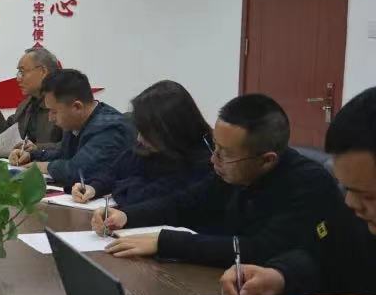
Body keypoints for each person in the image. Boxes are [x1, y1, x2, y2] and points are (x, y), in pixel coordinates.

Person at [95, 94, 343, 267]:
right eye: (215, 147)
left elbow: (260, 249)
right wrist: (127, 216)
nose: (214, 159)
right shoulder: (232, 170)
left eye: (226, 153)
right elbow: (185, 202)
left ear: (267, 160)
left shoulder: (309, 184)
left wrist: (165, 242)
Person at [218, 87, 376, 295]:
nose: (351, 202)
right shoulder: (354, 216)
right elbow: (324, 257)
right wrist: (279, 276)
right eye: (347, 188)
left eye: (368, 195)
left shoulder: (307, 181)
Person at [71, 80, 212, 208]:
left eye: (146, 132)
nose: (139, 138)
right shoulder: (150, 148)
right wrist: (93, 187)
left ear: (170, 130)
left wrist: (122, 187)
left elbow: (144, 198)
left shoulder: (205, 162)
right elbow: (113, 172)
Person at [10, 69, 133, 188]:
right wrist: (31, 155)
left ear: (77, 107)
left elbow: (78, 171)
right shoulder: (77, 122)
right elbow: (64, 154)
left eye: (54, 111)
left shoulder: (110, 129)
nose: (50, 118)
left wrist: (43, 166)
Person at [0, 46, 62, 148]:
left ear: (43, 71)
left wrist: (37, 149)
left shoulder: (65, 103)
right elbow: (9, 141)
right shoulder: (27, 104)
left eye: (22, 72)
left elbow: (71, 147)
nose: (18, 79)